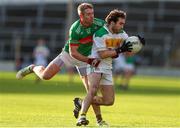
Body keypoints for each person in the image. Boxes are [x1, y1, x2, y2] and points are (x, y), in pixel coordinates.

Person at [16, 3, 108, 126]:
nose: (92, 16)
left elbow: (113, 31)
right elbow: (73, 52)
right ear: (81, 15)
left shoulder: (99, 23)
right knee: (46, 76)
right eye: (88, 14)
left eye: (92, 13)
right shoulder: (75, 29)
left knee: (91, 91)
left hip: (85, 59)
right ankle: (33, 68)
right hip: (69, 55)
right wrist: (90, 61)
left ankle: (99, 120)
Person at [76, 9, 145, 126]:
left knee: (109, 101)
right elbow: (102, 54)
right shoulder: (100, 33)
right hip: (95, 64)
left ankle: (81, 102)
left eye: (123, 23)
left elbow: (127, 53)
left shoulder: (122, 34)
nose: (122, 26)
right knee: (93, 90)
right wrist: (119, 50)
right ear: (112, 22)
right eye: (121, 23)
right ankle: (82, 117)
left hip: (107, 68)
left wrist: (137, 44)